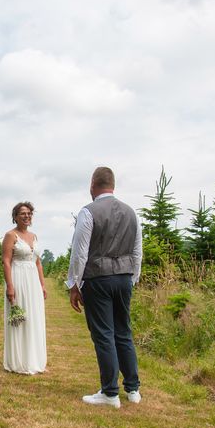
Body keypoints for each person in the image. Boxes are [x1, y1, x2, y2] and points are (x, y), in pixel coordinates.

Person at [66, 167, 142, 408]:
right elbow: (138, 251)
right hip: (124, 277)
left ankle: (110, 392)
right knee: (124, 332)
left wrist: (74, 284)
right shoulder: (132, 213)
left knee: (104, 334)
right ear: (113, 185)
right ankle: (133, 389)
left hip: (98, 279)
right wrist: (132, 278)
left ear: (92, 185)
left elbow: (80, 253)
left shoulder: (88, 212)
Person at [1, 201, 47, 374]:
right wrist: (10, 286)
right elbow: (6, 261)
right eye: (23, 213)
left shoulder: (34, 236)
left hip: (33, 281)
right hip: (18, 278)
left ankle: (35, 360)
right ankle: (19, 362)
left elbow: (38, 262)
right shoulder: (10, 235)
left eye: (29, 213)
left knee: (34, 317)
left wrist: (42, 285)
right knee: (20, 319)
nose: (27, 216)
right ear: (15, 217)